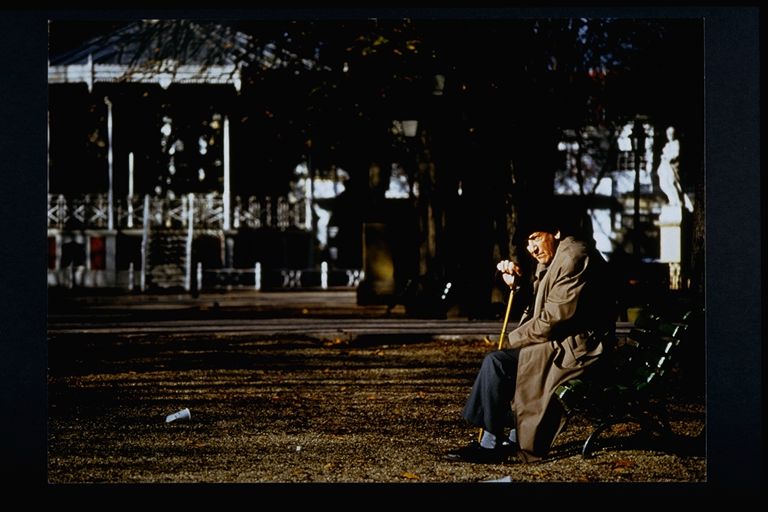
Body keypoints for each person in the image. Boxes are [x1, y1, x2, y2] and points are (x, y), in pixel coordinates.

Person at [446, 209, 616, 463]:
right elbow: (541, 306)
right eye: (527, 242)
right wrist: (516, 285)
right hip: (562, 341)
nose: (532, 249)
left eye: (535, 238)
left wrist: (513, 339)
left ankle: (493, 445)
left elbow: (553, 318)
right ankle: (497, 441)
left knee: (499, 363)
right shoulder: (556, 258)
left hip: (579, 350)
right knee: (502, 363)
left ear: (556, 232)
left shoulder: (574, 257)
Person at [657, 126, 693, 212]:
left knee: (672, 184)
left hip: (671, 167)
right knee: (664, 184)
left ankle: (678, 202)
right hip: (665, 167)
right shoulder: (667, 145)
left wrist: (668, 157)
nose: (669, 135)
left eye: (671, 133)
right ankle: (673, 201)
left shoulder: (676, 143)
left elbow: (675, 154)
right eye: (668, 133)